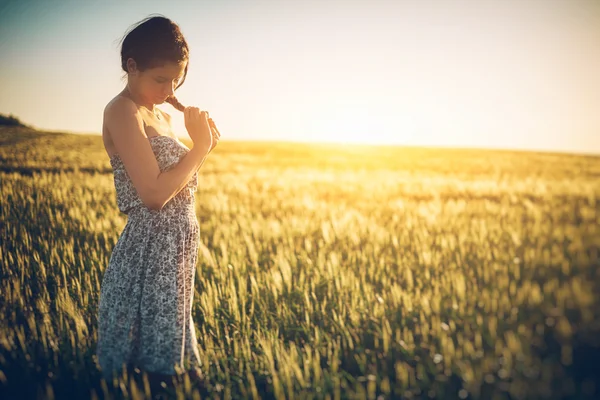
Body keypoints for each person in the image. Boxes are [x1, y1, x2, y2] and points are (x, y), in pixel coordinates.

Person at [96, 14, 219, 394]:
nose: (169, 91)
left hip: (177, 248)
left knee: (172, 350)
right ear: (131, 66)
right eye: (160, 79)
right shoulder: (122, 111)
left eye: (176, 81)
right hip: (149, 251)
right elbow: (152, 194)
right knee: (149, 370)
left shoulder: (163, 115)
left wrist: (205, 145)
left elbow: (180, 182)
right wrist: (199, 148)